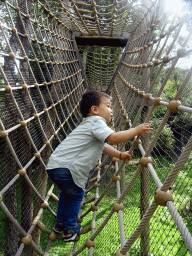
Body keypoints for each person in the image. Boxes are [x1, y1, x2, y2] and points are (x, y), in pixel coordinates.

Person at [46, 90, 152, 242]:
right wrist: (136, 130)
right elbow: (114, 138)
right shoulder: (97, 122)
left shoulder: (89, 125)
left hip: (55, 167)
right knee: (77, 195)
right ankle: (70, 230)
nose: (112, 110)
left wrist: (120, 155)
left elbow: (104, 146)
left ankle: (60, 224)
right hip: (68, 169)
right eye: (108, 106)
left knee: (66, 193)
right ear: (94, 110)